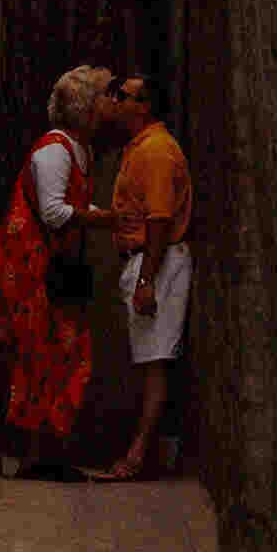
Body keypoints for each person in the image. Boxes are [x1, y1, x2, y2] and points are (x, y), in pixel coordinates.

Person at [0, 65, 115, 477]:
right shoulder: (55, 150)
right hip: (30, 265)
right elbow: (53, 212)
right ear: (85, 109)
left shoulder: (79, 150)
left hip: (54, 263)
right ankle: (36, 455)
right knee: (39, 353)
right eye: (102, 98)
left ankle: (50, 452)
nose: (108, 105)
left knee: (65, 350)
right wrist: (104, 219)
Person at [102, 72, 193, 480]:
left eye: (121, 95)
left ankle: (139, 455)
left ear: (143, 106)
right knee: (147, 358)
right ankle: (145, 450)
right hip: (147, 260)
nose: (114, 101)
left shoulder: (156, 151)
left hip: (157, 261)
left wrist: (146, 280)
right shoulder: (141, 146)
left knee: (155, 360)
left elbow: (159, 219)